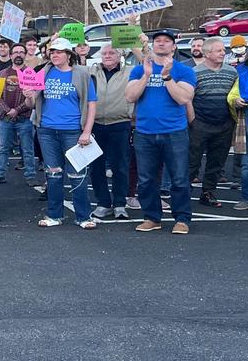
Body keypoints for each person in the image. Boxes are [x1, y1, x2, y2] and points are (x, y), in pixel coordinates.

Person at [126, 30, 196, 234]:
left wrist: (166, 78)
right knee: (146, 179)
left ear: (174, 47)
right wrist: (147, 76)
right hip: (145, 133)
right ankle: (151, 217)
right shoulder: (140, 70)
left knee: (179, 178)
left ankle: (182, 219)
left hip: (174, 132)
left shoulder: (184, 71)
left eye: (167, 41)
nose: (161, 44)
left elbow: (183, 98)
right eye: (158, 41)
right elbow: (130, 96)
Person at [32, 38, 97, 229]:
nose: (54, 55)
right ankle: (54, 215)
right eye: (52, 52)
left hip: (73, 130)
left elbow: (91, 104)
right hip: (46, 130)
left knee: (78, 174)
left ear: (69, 55)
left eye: (59, 52)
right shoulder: (44, 72)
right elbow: (32, 102)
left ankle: (84, 217)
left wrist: (87, 131)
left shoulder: (82, 74)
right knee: (53, 175)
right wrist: (29, 95)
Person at [188, 36, 236, 208]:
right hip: (199, 123)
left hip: (224, 124)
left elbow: (235, 95)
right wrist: (192, 121)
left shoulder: (232, 72)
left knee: (217, 161)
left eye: (223, 50)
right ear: (207, 53)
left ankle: (208, 193)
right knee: (192, 161)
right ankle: (184, 192)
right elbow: (187, 99)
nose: (223, 53)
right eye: (219, 50)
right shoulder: (194, 73)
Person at [88, 46, 134, 220]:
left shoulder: (129, 72)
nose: (107, 56)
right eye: (104, 53)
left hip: (120, 123)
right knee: (96, 167)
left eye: (112, 53)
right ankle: (103, 203)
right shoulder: (91, 71)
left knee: (120, 166)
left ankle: (120, 203)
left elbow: (147, 63)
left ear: (120, 55)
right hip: (95, 124)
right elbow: (73, 63)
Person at [0, 43, 37, 186]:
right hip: (5, 118)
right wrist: (8, 110)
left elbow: (33, 98)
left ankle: (30, 175)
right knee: (3, 148)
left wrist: (17, 110)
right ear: (11, 55)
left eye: (21, 52)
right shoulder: (2, 74)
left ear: (25, 55)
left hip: (24, 118)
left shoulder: (31, 74)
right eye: (15, 52)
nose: (18, 54)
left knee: (27, 149)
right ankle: (0, 173)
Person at [230, 49, 248, 210]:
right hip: (247, 121)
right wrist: (236, 100)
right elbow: (232, 95)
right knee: (247, 164)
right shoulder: (241, 72)